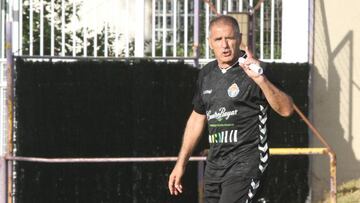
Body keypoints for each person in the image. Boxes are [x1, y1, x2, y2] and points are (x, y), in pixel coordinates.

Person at [168, 15, 294, 203]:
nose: (225, 45)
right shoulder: (206, 74)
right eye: (218, 39)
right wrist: (181, 164)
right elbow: (197, 118)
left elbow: (287, 109)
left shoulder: (256, 70)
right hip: (215, 166)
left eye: (230, 38)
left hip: (247, 163)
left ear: (239, 39)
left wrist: (261, 80)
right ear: (210, 43)